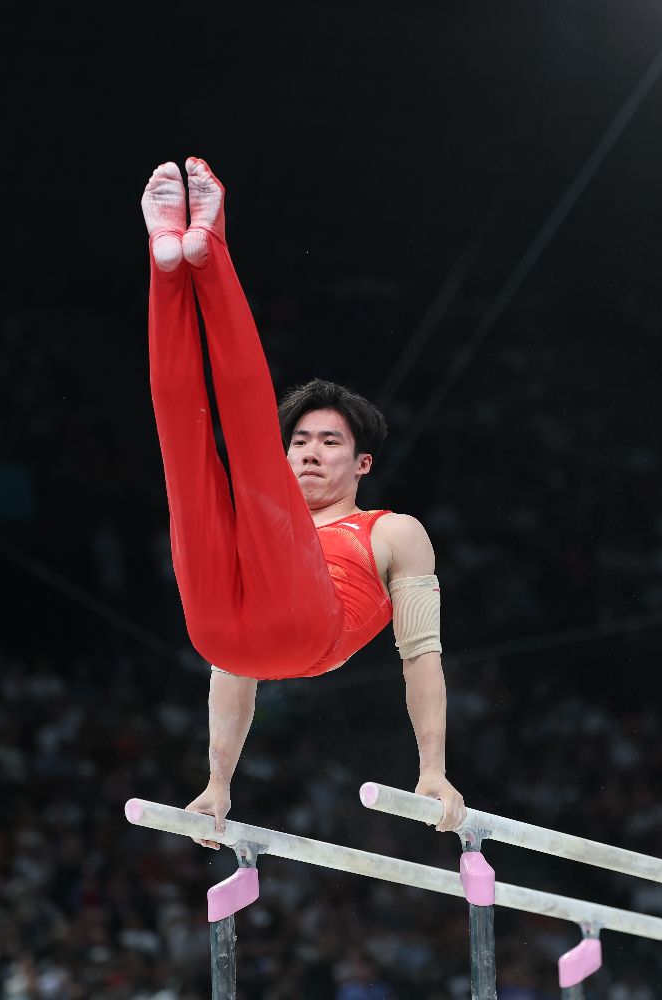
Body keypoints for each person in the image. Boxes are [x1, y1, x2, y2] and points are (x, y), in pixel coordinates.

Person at [141, 158, 466, 845]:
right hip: (222, 634)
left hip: (307, 630)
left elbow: (421, 655)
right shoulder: (262, 509)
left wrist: (432, 770)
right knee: (183, 448)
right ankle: (171, 258)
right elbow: (233, 670)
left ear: (363, 463)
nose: (310, 452)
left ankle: (208, 252)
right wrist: (218, 784)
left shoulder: (395, 532)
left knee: (237, 445)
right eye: (301, 442)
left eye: (329, 442)